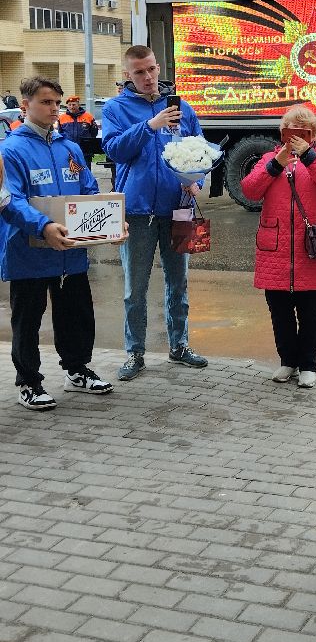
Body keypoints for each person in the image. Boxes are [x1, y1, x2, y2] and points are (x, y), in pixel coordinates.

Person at [0, 78, 114, 409]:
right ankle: (29, 383)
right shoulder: (11, 151)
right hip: (28, 252)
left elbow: (88, 190)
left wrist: (108, 218)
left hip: (70, 253)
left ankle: (77, 371)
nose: (54, 109)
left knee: (76, 314)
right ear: (25, 105)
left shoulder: (70, 148)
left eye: (57, 103)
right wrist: (44, 226)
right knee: (28, 320)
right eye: (46, 102)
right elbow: (11, 201)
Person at [102, 46, 208, 381]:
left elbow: (199, 149)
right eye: (139, 72)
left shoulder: (179, 105)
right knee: (135, 289)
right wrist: (149, 125)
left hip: (179, 209)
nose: (147, 78)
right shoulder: (116, 108)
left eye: (151, 69)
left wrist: (197, 179)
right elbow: (114, 149)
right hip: (136, 214)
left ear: (158, 67)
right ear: (127, 75)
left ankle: (179, 345)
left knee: (179, 283)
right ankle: (135, 352)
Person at [241, 106, 316, 389]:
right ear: (282, 133)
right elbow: (249, 189)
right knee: (280, 311)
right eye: (290, 130)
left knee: (310, 311)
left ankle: (309, 365)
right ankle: (288, 361)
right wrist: (276, 163)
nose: (296, 137)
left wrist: (309, 158)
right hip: (275, 250)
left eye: (303, 132)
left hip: (311, 250)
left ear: (312, 135)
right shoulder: (269, 158)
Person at [58, 96, 99, 168]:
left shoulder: (88, 117)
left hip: (85, 151)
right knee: (70, 173)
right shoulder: (62, 118)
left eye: (74, 104)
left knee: (86, 172)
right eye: (69, 105)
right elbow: (60, 134)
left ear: (78, 105)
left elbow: (94, 133)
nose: (71, 107)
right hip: (68, 151)